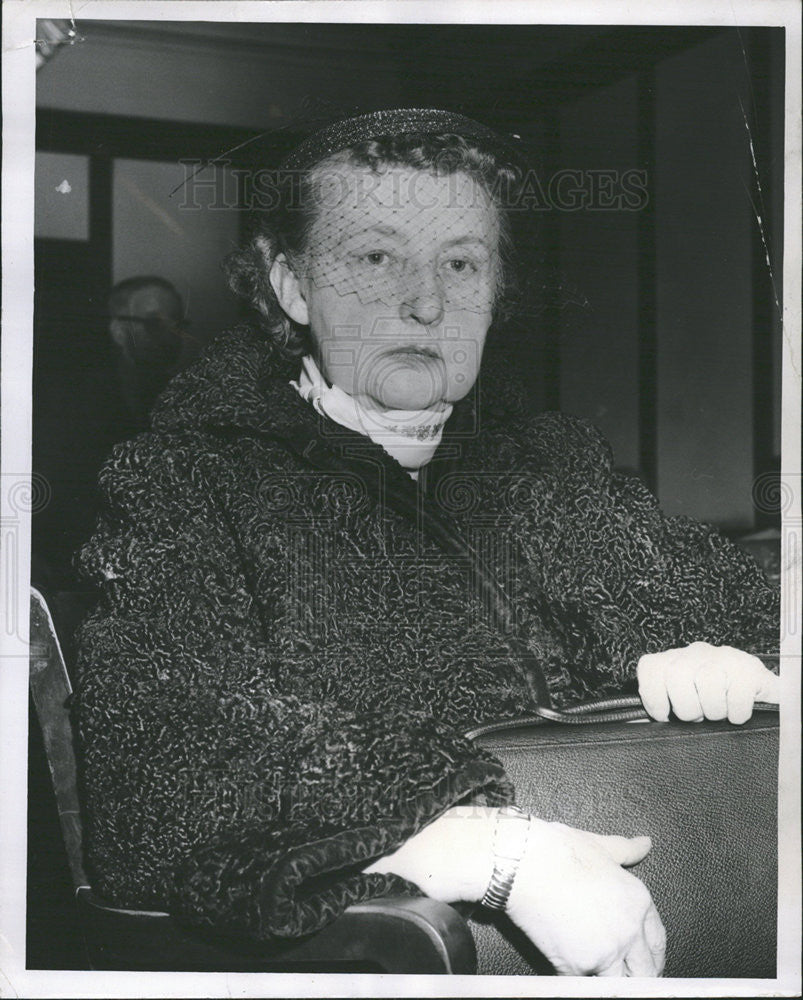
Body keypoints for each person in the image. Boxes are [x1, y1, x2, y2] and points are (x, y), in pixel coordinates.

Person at [72, 109, 779, 977]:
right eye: (374, 257)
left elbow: (740, 608)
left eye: (460, 262)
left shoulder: (550, 466)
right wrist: (493, 855)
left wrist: (737, 662)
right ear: (291, 285)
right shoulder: (186, 481)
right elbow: (163, 770)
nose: (426, 300)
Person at [107, 275, 188, 429]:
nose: (168, 337)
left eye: (177, 325)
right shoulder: (79, 398)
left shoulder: (185, 397)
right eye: (154, 324)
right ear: (119, 332)